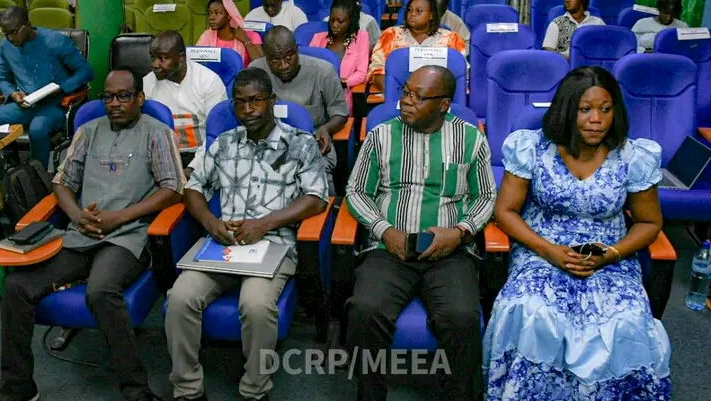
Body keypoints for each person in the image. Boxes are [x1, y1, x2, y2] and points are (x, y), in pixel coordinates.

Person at [0, 67, 185, 401]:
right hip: (80, 233)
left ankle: (136, 389)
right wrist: (76, 215)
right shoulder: (88, 131)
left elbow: (172, 189)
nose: (115, 103)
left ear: (140, 98)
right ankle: (18, 387)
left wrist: (120, 217)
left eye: (124, 96)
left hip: (127, 235)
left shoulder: (156, 133)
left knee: (101, 290)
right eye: (108, 97)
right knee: (17, 287)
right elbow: (62, 183)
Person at [482, 67, 671, 400]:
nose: (596, 119)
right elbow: (505, 211)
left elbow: (649, 222)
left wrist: (611, 255)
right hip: (540, 250)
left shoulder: (633, 156)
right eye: (585, 109)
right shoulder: (533, 147)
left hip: (609, 255)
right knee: (532, 312)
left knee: (624, 322)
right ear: (568, 110)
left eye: (605, 109)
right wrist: (549, 251)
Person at [165, 67, 329, 401]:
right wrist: (211, 223)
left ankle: (255, 388)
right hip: (224, 243)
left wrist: (265, 223)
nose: (247, 110)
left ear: (272, 100)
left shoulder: (300, 144)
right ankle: (187, 388)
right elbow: (193, 188)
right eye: (239, 103)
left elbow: (317, 198)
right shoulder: (224, 143)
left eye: (255, 101)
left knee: (255, 305)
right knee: (179, 298)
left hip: (274, 244)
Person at [345, 66, 495, 401]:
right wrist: (385, 231)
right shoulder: (381, 136)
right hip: (389, 249)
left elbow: (485, 196)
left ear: (443, 104)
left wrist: (460, 232)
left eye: (418, 96)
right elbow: (356, 191)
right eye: (406, 92)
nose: (406, 101)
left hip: (450, 252)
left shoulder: (470, 139)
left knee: (461, 318)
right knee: (364, 310)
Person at [250, 26, 348, 196]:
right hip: (267, 144)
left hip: (312, 142)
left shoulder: (323, 72)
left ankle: (327, 211)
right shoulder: (255, 73)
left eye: (289, 56)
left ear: (297, 49)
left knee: (316, 181)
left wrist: (326, 128)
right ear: (265, 56)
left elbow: (340, 113)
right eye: (274, 59)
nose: (283, 65)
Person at [0, 6, 93, 168]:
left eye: (14, 32)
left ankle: (37, 178)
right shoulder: (6, 46)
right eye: (5, 33)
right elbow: (4, 78)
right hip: (24, 105)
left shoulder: (55, 41)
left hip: (54, 104)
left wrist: (62, 88)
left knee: (38, 129)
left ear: (28, 25)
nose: (10, 38)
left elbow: (86, 71)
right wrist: (13, 93)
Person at [143, 30, 228, 178]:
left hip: (204, 156)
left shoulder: (209, 82)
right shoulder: (147, 84)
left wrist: (192, 169)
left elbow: (218, 135)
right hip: (163, 158)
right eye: (153, 57)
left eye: (163, 58)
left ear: (181, 57)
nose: (154, 64)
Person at [368, 0, 466, 92]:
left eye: (419, 11)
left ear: (431, 15)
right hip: (398, 94)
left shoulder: (451, 39)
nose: (412, 14)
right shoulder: (391, 35)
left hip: (438, 95)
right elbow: (377, 70)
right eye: (410, 10)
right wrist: (396, 92)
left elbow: (460, 75)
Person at [309, 0, 369, 114]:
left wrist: (343, 83)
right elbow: (308, 69)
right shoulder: (318, 38)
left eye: (340, 21)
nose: (334, 25)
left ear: (351, 21)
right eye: (332, 20)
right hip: (316, 95)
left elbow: (361, 73)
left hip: (342, 97)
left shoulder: (361, 37)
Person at [197, 0, 263, 67]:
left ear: (229, 15)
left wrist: (246, 40)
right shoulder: (207, 36)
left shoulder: (251, 36)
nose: (211, 17)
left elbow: (261, 66)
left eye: (217, 13)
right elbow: (196, 62)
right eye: (210, 13)